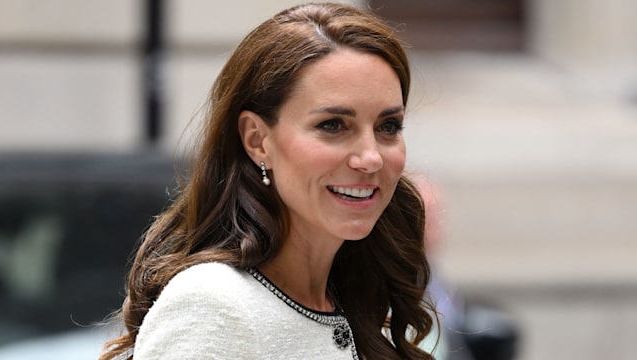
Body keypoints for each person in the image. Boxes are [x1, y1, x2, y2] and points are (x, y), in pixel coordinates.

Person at [100, 3, 437, 359]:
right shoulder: (214, 305)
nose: (370, 158)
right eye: (333, 125)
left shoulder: (356, 301)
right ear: (257, 140)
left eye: (388, 127)